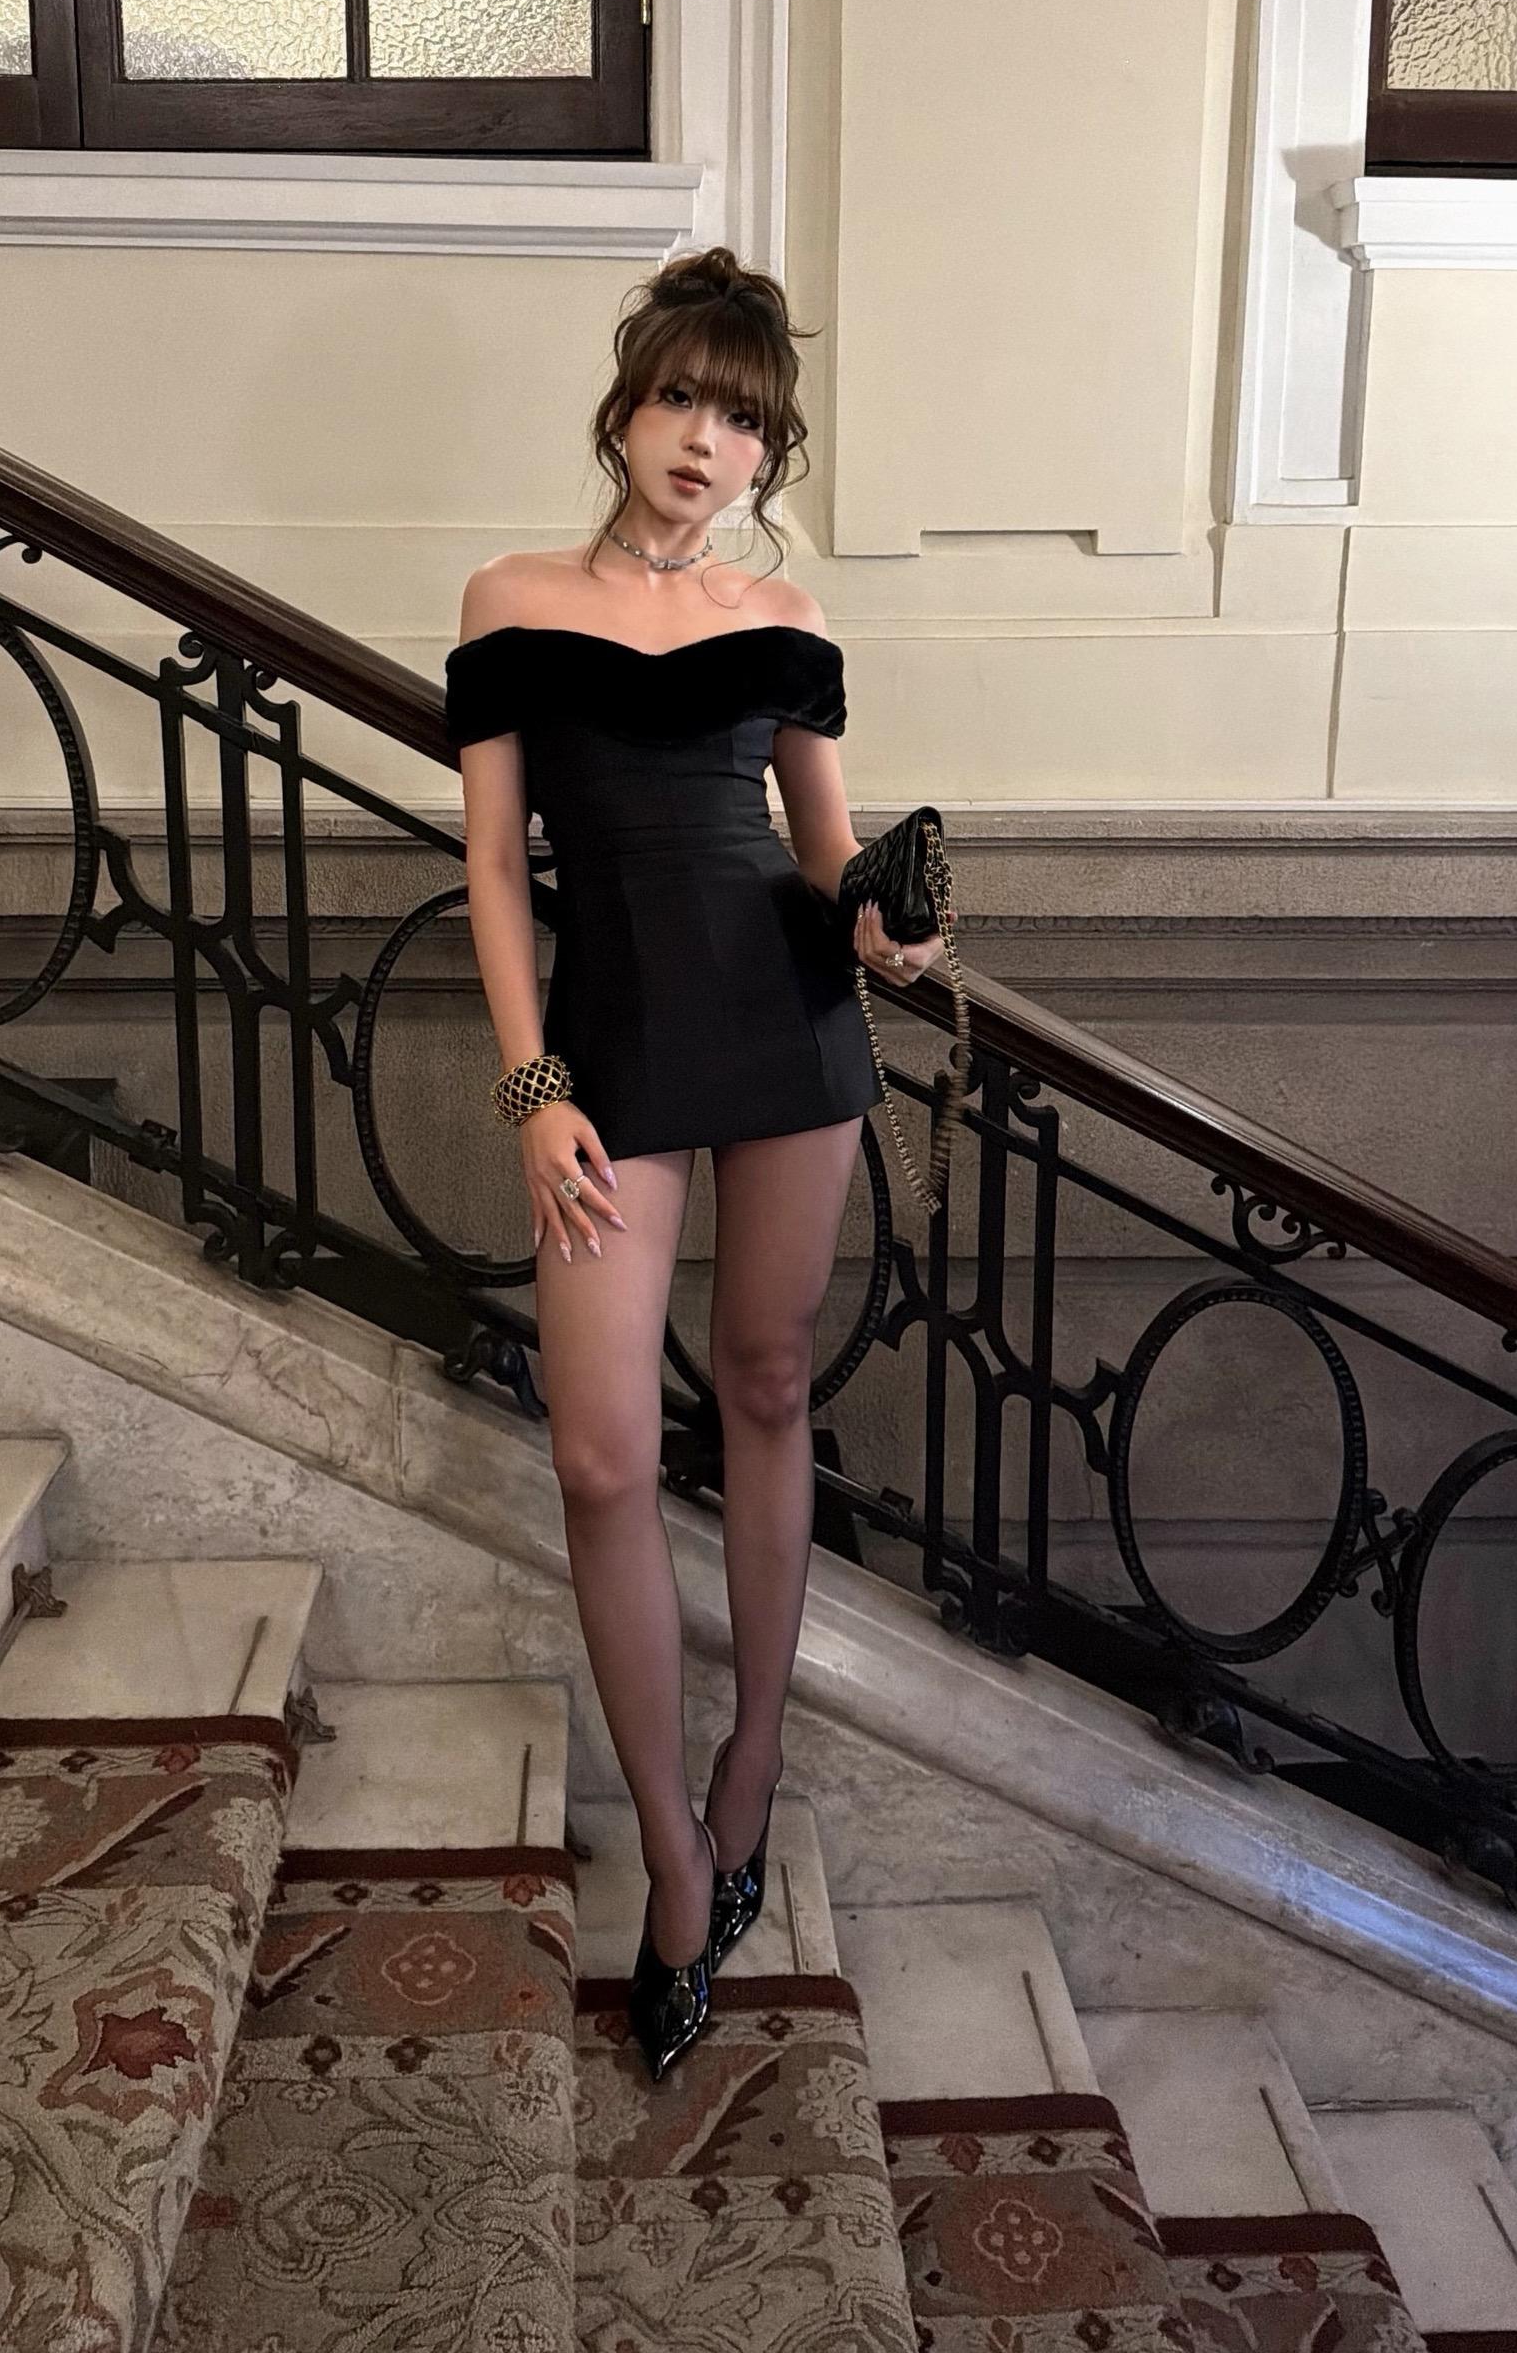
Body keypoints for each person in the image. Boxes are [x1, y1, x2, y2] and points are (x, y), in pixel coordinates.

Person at [445, 246, 941, 2081]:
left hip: (790, 1020)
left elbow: (819, 851)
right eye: (679, 399)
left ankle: (755, 1761)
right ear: (626, 408)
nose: (703, 439)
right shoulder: (510, 599)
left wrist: (888, 933)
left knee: (766, 1378)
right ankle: (672, 1854)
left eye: (740, 418)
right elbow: (496, 871)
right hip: (618, 1039)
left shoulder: (785, 614)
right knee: (597, 1450)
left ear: (764, 452)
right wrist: (532, 1086)